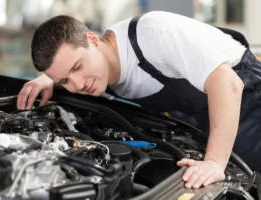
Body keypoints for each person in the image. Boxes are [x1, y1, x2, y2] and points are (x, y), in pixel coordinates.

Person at [17, 11, 261, 189]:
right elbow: (69, 70)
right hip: (194, 115)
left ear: (93, 40)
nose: (78, 84)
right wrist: (49, 80)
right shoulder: (93, 71)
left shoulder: (153, 36)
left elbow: (228, 85)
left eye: (78, 67)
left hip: (244, 98)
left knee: (252, 179)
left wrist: (214, 163)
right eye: (65, 80)